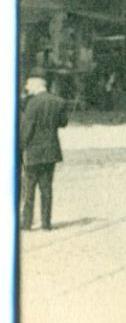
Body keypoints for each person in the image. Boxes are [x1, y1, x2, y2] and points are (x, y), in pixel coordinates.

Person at [20, 77, 71, 231]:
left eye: (28, 87)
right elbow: (63, 123)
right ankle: (46, 223)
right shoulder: (59, 102)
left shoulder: (32, 103)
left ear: (36, 87)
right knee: (46, 188)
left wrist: (20, 147)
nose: (27, 89)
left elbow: (27, 129)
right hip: (51, 150)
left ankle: (27, 223)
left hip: (33, 151)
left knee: (29, 189)